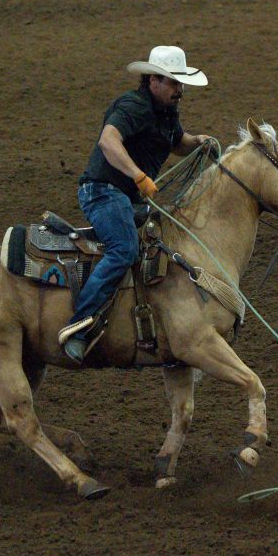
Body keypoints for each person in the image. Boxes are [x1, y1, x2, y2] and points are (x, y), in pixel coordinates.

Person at [59, 46, 213, 363]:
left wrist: (198, 142)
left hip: (126, 197)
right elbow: (108, 140)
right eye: (172, 83)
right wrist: (138, 175)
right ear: (152, 80)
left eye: (180, 83)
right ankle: (78, 327)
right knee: (124, 249)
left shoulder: (166, 113)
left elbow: (178, 142)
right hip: (103, 191)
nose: (179, 90)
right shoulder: (133, 107)